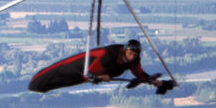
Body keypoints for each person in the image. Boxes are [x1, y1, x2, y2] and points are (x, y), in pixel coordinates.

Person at [28, 39, 175, 94]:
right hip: (83, 66)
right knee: (41, 82)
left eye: (134, 55)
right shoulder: (109, 55)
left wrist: (156, 82)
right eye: (129, 53)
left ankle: (39, 88)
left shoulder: (134, 61)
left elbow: (140, 75)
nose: (131, 57)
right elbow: (88, 73)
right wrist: (100, 77)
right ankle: (37, 85)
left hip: (93, 74)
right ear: (125, 50)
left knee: (54, 85)